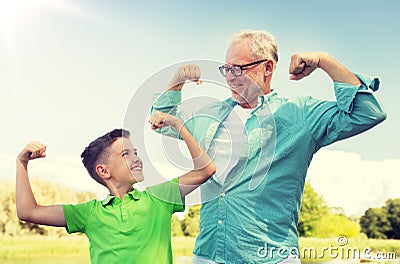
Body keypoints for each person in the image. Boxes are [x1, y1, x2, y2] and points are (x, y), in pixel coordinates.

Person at [150, 29, 387, 263]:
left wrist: (324, 61)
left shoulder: (300, 114)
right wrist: (178, 80)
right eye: (227, 69)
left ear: (268, 68)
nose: (230, 77)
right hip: (207, 255)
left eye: (238, 69)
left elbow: (368, 113)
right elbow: (159, 119)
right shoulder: (208, 115)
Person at [15, 112, 216, 263]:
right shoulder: (89, 213)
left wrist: (179, 125)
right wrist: (21, 163)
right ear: (103, 171)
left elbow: (206, 169)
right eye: (126, 154)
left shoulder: (160, 198)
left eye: (135, 152)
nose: (137, 158)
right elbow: (28, 211)